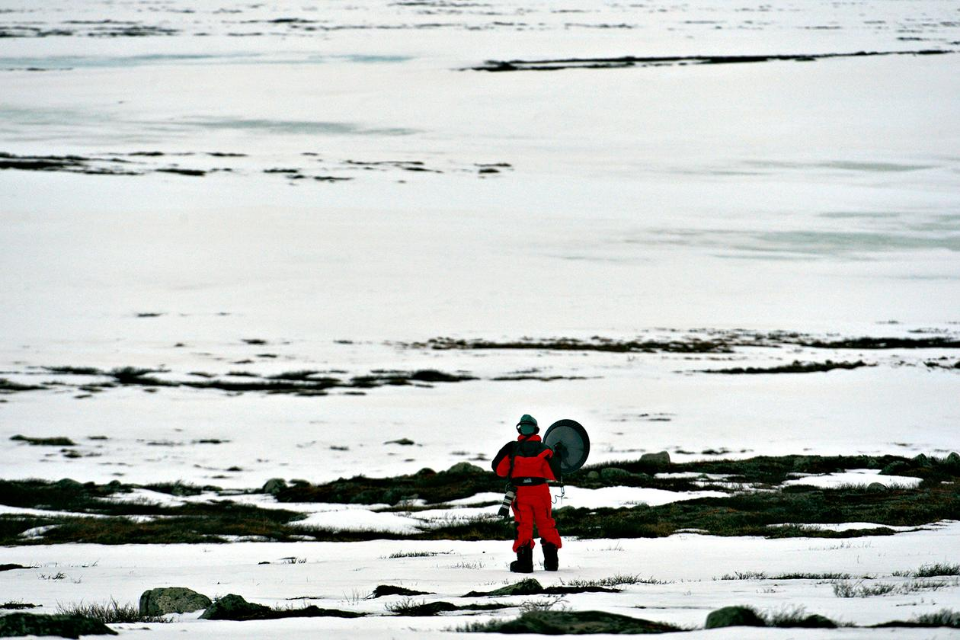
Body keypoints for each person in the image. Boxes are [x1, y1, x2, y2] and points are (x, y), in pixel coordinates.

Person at [491, 414, 563, 573]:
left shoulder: (511, 448)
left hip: (520, 493)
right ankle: (551, 563)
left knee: (523, 526)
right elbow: (554, 474)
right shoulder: (546, 450)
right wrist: (558, 455)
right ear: (536, 429)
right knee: (546, 524)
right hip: (540, 492)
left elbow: (499, 469)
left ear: (520, 428)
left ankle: (524, 564)